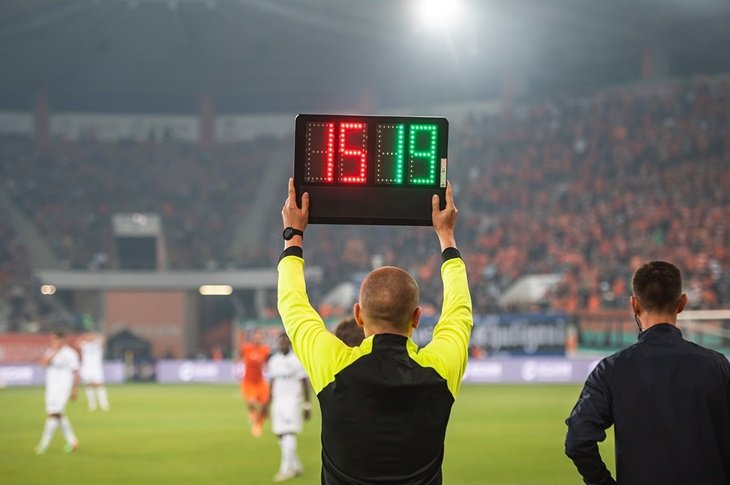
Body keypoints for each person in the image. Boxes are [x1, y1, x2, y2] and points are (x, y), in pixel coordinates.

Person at [277, 178, 472, 484]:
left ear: (358, 315)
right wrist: (446, 235)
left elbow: (293, 306)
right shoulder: (439, 371)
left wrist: (294, 235)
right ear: (417, 317)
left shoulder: (335, 367)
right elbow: (459, 312)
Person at [565, 261, 730, 484]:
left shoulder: (611, 370)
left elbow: (578, 440)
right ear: (682, 303)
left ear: (634, 305)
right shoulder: (717, 366)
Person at [268, 332, 312, 482]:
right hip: (278, 400)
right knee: (280, 434)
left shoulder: (297, 360)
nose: (283, 344)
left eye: (285, 341)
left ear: (290, 343)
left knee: (289, 432)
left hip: (292, 400)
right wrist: (267, 404)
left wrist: (307, 405)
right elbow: (272, 382)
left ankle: (286, 469)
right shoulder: (273, 361)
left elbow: (304, 383)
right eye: (280, 341)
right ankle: (296, 465)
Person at [35, 328, 81, 454]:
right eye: (53, 339)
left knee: (53, 414)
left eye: (56, 339)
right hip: (51, 388)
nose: (54, 341)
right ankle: (73, 442)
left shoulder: (71, 354)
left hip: (64, 388)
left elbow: (76, 372)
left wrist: (74, 390)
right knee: (58, 415)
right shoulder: (50, 351)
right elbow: (44, 363)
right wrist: (54, 351)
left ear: (63, 340)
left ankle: (44, 445)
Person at [238, 328, 271, 437]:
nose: (258, 339)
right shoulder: (247, 348)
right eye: (256, 336)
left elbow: (268, 362)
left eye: (260, 337)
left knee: (264, 405)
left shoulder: (265, 350)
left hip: (260, 381)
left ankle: (258, 424)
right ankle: (253, 416)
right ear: (253, 338)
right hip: (248, 381)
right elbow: (239, 356)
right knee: (251, 402)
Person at [78, 332, 110, 411]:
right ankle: (92, 403)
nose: (90, 337)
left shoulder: (97, 343)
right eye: (88, 336)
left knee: (99, 385)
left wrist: (96, 336)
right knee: (88, 385)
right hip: (86, 368)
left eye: (91, 336)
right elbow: (77, 343)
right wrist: (83, 336)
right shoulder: (84, 344)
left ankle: (104, 404)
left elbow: (104, 339)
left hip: (96, 368)